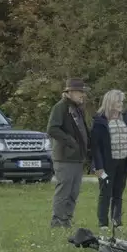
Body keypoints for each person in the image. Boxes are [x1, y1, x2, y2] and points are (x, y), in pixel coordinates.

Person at [90, 89, 127, 230]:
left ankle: (117, 221)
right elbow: (95, 146)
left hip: (123, 162)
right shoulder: (99, 119)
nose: (121, 104)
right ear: (110, 101)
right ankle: (103, 223)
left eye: (122, 101)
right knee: (105, 192)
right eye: (118, 101)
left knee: (118, 192)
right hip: (104, 164)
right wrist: (98, 167)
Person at [44, 79, 90, 229]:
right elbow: (52, 129)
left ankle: (67, 220)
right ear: (69, 92)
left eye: (83, 92)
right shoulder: (61, 107)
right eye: (80, 92)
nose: (83, 95)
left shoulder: (77, 109)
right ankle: (57, 222)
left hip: (77, 157)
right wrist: (70, 141)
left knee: (73, 192)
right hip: (64, 157)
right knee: (64, 191)